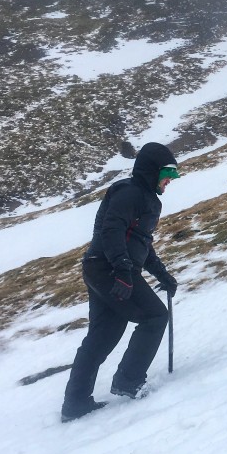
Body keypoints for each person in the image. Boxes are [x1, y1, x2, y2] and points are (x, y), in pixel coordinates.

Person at [61, 142, 180, 422]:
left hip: (102, 268)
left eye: (172, 176)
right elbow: (111, 230)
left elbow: (140, 243)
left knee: (103, 336)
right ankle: (128, 381)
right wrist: (123, 271)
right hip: (109, 269)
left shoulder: (147, 198)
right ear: (152, 170)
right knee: (154, 316)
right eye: (166, 174)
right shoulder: (129, 193)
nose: (168, 181)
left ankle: (75, 403)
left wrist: (162, 274)